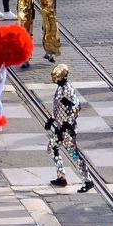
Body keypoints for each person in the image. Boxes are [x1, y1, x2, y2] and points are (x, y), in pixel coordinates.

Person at [45, 63, 96, 192]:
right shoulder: (60, 89)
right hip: (60, 127)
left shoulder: (67, 89)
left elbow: (76, 106)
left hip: (67, 130)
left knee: (74, 154)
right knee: (52, 147)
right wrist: (52, 119)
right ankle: (61, 176)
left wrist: (68, 123)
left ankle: (88, 180)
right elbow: (60, 108)